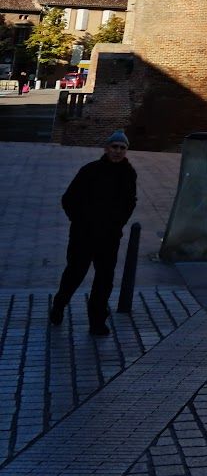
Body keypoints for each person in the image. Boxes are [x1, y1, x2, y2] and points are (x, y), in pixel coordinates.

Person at [50, 130, 138, 334]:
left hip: (109, 236)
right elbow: (69, 199)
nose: (117, 151)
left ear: (126, 151)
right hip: (83, 234)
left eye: (122, 148)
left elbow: (130, 202)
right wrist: (80, 220)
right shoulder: (90, 170)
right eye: (114, 147)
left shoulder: (128, 173)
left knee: (104, 279)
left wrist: (118, 223)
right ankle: (59, 304)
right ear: (107, 148)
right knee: (75, 273)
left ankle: (97, 319)